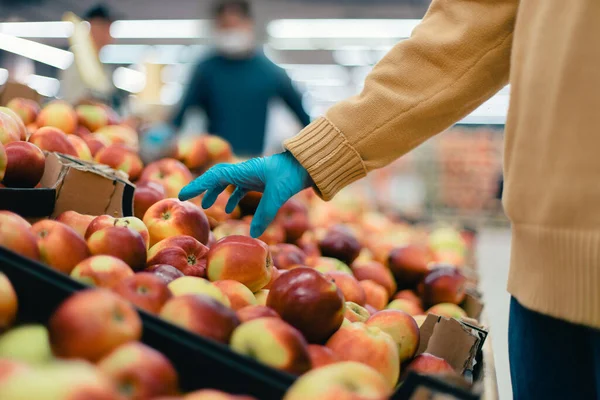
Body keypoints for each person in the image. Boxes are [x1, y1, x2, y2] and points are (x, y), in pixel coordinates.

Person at [180, 0, 600, 398]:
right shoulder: (206, 69)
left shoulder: (266, 71)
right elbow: (463, 37)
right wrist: (306, 158)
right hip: (555, 270)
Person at [145, 0, 310, 157]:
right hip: (214, 164)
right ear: (216, 28)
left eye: (235, 25)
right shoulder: (206, 70)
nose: (230, 32)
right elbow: (179, 117)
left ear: (249, 24)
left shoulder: (269, 72)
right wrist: (156, 140)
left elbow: (304, 119)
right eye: (225, 27)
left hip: (254, 163)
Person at [59, 4, 115, 104]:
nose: (109, 34)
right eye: (104, 27)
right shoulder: (78, 62)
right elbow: (73, 100)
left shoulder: (100, 64)